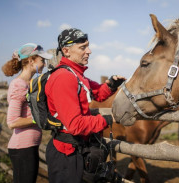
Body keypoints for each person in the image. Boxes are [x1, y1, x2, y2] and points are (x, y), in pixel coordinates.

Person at [45, 28, 126, 183]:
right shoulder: (64, 78)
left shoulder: (77, 75)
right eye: (82, 47)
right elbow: (75, 125)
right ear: (66, 51)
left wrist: (111, 85)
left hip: (78, 150)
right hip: (67, 155)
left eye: (88, 46)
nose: (89, 51)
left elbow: (98, 93)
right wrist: (108, 119)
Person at [2, 43, 53, 183]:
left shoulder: (29, 83)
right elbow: (12, 122)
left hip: (29, 146)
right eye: (42, 60)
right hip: (22, 148)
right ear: (31, 61)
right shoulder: (19, 85)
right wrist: (39, 119)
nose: (44, 64)